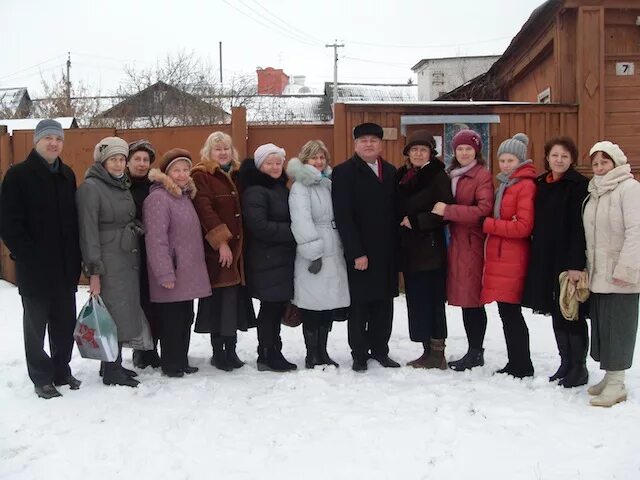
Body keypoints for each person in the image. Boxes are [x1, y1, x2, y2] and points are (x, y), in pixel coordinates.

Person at [0, 119, 82, 399]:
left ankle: (62, 370)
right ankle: (41, 377)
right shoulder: (18, 175)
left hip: (64, 267)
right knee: (36, 329)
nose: (53, 143)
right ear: (37, 141)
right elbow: (9, 223)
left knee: (64, 324)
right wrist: (27, 255)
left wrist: (76, 259)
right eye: (47, 138)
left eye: (58, 139)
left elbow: (73, 222)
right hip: (34, 269)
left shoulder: (67, 175)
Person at [76, 137, 148, 388]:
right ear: (102, 161)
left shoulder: (120, 185)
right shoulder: (91, 188)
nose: (118, 164)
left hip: (126, 257)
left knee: (120, 311)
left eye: (121, 159)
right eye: (113, 160)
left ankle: (111, 364)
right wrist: (93, 272)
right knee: (112, 312)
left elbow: (124, 218)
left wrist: (136, 227)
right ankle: (111, 370)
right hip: (107, 261)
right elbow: (88, 233)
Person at [522, 136, 589, 388]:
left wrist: (576, 263)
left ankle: (578, 367)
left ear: (571, 159)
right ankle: (565, 362)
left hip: (568, 258)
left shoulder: (579, 185)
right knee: (556, 310)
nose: (559, 160)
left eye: (564, 156)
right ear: (547, 158)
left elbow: (579, 228)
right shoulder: (541, 183)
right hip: (545, 257)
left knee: (572, 312)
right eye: (554, 155)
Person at [332, 122, 400, 372]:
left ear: (381, 144)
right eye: (364, 140)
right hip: (361, 252)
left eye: (373, 140)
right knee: (360, 305)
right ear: (355, 144)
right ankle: (359, 353)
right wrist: (355, 252)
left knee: (384, 304)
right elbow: (343, 217)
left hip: (386, 251)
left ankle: (381, 350)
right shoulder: (343, 173)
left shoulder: (392, 172)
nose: (369, 144)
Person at [143, 149, 212, 377]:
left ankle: (181, 359)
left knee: (185, 318)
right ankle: (171, 363)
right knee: (171, 321)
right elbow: (156, 239)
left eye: (185, 169)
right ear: (166, 173)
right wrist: (164, 273)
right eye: (176, 170)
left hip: (188, 272)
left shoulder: (184, 197)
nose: (182, 174)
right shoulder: (158, 198)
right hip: (172, 271)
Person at [582, 141, 640, 406]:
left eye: (604, 162)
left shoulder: (629, 189)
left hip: (621, 274)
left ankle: (617, 384)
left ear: (616, 162)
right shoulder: (595, 192)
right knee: (604, 327)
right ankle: (610, 376)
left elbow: (636, 232)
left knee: (620, 328)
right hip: (600, 274)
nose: (599, 167)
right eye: (595, 163)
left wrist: (626, 269)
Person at [192, 132, 255, 371]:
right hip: (219, 251)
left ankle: (232, 349)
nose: (223, 153)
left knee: (235, 302)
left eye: (226, 148)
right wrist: (222, 242)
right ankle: (219, 351)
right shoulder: (202, 175)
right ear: (209, 151)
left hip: (240, 251)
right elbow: (205, 210)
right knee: (220, 301)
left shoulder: (238, 174)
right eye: (217, 149)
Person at [432, 129, 493, 371]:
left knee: (473, 301)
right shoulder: (452, 174)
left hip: (470, 243)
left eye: (469, 148)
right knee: (465, 299)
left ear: (476, 150)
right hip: (454, 242)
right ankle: (473, 350)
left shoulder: (481, 176)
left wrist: (448, 211)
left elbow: (482, 211)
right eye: (460, 148)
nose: (464, 152)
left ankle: (476, 352)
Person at [287, 140, 350, 368]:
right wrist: (312, 251)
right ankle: (311, 354)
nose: (319, 162)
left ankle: (322, 352)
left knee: (327, 304)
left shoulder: (327, 183)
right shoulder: (300, 187)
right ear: (305, 160)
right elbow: (301, 219)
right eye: (314, 158)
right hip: (313, 249)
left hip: (333, 248)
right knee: (313, 306)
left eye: (322, 157)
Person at [396, 130, 453, 369]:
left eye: (423, 149)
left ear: (431, 152)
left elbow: (445, 210)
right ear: (408, 153)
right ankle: (426, 350)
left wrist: (417, 221)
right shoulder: (402, 176)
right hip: (409, 248)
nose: (418, 154)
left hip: (429, 248)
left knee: (432, 300)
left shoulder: (438, 175)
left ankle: (437, 353)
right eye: (414, 150)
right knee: (417, 301)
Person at [481, 133, 536, 378]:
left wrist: (490, 224)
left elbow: (523, 226)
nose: (505, 165)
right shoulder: (506, 184)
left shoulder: (524, 185)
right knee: (507, 313)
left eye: (510, 160)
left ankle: (522, 365)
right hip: (502, 257)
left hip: (513, 258)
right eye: (502, 160)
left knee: (511, 314)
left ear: (521, 161)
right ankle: (516, 362)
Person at [239, 143, 297, 372]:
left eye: (278, 162)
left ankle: (274, 350)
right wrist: (294, 231)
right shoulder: (256, 190)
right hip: (267, 259)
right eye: (269, 162)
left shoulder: (280, 187)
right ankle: (266, 353)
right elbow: (258, 226)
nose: (274, 167)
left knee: (275, 307)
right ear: (260, 165)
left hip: (281, 258)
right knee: (270, 308)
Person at [127, 139, 161, 369]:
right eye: (137, 159)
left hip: (152, 251)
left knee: (153, 302)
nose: (141, 164)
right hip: (129, 252)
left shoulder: (155, 186)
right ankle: (140, 349)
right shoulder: (121, 185)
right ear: (128, 161)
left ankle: (152, 349)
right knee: (135, 302)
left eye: (145, 160)